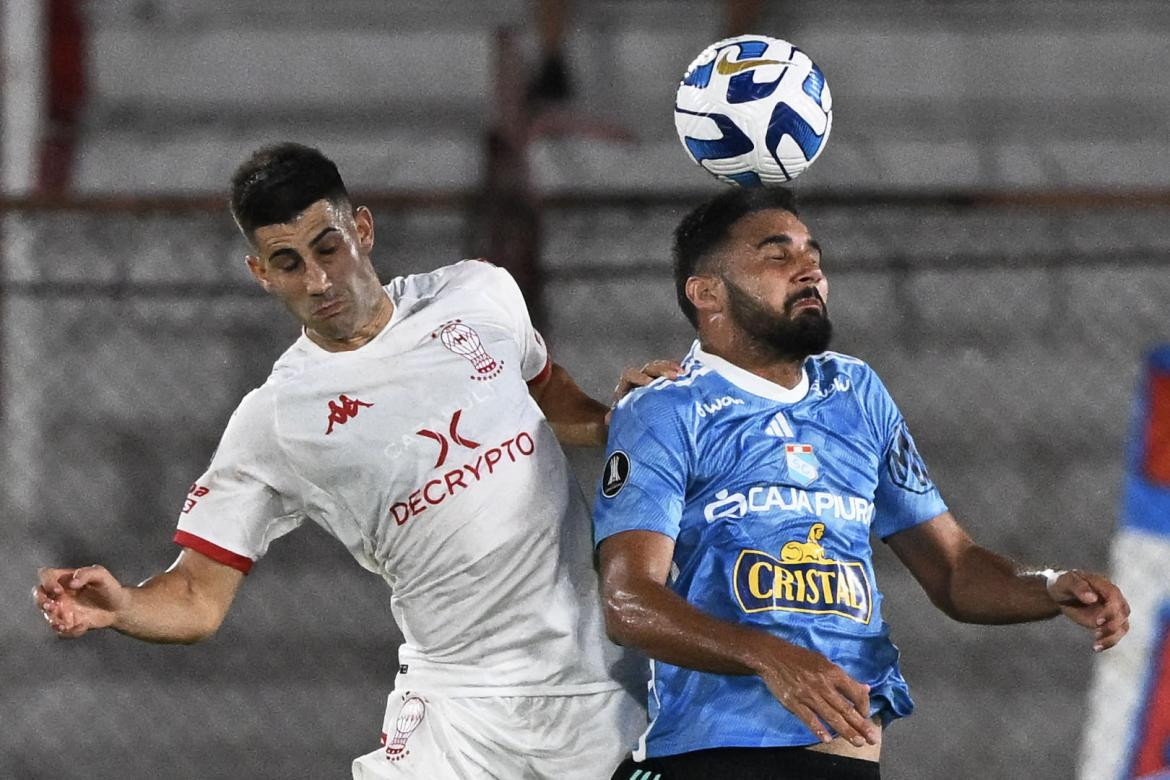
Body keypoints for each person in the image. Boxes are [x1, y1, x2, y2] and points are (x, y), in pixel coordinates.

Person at [31, 142, 672, 779]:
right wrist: (123, 608)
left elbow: (541, 390)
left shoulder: (478, 293)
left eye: (327, 247)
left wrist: (616, 420)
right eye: (287, 263)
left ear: (361, 230)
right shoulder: (277, 417)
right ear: (261, 274)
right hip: (456, 713)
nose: (317, 280)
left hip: (600, 686)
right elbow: (198, 596)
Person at [592, 186, 1132, 780]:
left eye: (814, 257)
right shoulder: (667, 409)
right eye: (778, 255)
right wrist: (769, 656)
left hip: (849, 762)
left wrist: (1048, 588)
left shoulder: (855, 392)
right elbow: (628, 601)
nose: (810, 271)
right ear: (707, 292)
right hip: (717, 757)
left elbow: (954, 570)